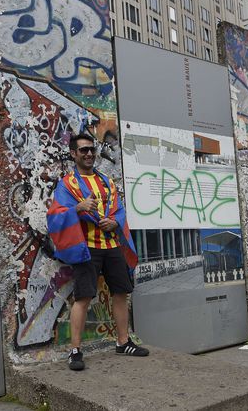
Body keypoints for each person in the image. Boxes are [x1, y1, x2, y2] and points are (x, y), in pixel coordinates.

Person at [46, 133, 149, 371]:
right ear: (73, 154)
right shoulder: (67, 184)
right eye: (83, 150)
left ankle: (123, 342)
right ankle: (75, 351)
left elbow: (119, 210)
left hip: (112, 245)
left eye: (92, 149)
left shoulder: (106, 182)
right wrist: (78, 208)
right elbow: (55, 216)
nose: (89, 154)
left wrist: (115, 222)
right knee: (83, 298)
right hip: (87, 249)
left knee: (121, 293)